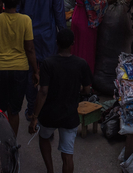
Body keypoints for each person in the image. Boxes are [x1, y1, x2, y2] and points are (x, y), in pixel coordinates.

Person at [29, 29, 92, 173]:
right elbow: (87, 90)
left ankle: (50, 170)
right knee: (67, 154)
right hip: (70, 115)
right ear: (73, 44)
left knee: (44, 137)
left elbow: (43, 91)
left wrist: (34, 117)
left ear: (56, 43)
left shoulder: (48, 63)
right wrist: (78, 91)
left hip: (49, 114)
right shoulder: (81, 64)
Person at [13, 0, 65, 118]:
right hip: (48, 34)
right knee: (48, 72)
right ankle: (45, 107)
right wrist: (63, 33)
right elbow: (58, 9)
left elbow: (17, 13)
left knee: (30, 72)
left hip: (28, 37)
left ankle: (31, 109)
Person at [0, 0, 38, 137]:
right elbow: (30, 49)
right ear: (19, 1)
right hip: (19, 70)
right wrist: (36, 70)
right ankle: (12, 144)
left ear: (2, 1)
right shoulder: (25, 20)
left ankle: (0, 141)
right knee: (14, 111)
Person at [71, 0, 123, 73]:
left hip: (78, 13)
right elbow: (95, 5)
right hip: (85, 18)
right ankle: (85, 80)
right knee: (85, 50)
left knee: (78, 48)